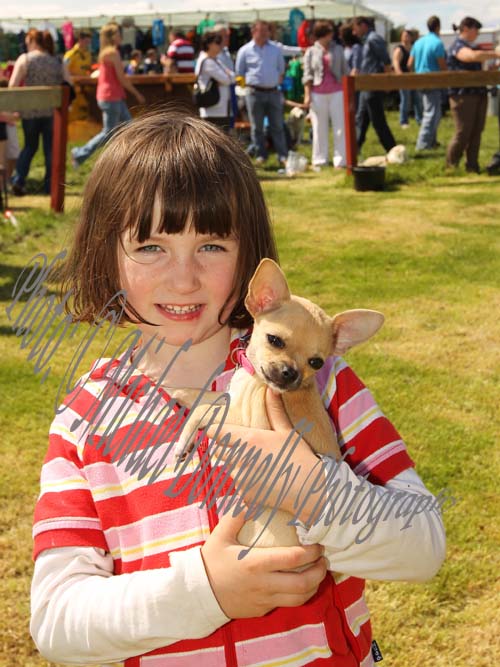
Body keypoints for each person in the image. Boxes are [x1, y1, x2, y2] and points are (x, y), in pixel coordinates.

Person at [30, 109, 445, 667]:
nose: (184, 279)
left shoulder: (318, 382)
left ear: (250, 257)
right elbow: (58, 622)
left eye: (212, 246)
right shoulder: (85, 418)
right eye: (151, 247)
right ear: (106, 253)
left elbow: (423, 547)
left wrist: (317, 491)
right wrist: (206, 591)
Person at [70, 22, 145, 168]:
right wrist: (137, 94)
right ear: (112, 37)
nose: (120, 36)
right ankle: (80, 153)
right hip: (111, 97)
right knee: (110, 132)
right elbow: (121, 78)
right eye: (117, 34)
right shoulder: (112, 53)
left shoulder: (106, 53)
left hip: (112, 96)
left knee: (129, 129)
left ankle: (128, 162)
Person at [8, 29, 63, 195]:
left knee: (30, 147)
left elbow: (13, 85)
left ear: (32, 41)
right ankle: (50, 186)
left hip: (30, 112)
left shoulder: (25, 59)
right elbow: (66, 82)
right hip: (52, 111)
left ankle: (19, 180)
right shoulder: (56, 60)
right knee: (50, 150)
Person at [445, 17, 500, 173]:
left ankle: (472, 167)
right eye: (476, 29)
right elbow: (469, 57)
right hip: (462, 96)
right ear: (466, 28)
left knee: (476, 132)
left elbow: (478, 67)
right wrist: (496, 54)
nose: (478, 33)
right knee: (463, 132)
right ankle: (451, 166)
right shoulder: (458, 46)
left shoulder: (474, 46)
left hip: (478, 94)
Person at [236, 20, 288, 166]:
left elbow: (281, 71)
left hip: (273, 93)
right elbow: (239, 73)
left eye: (267, 30)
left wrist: (274, 83)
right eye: (262, 30)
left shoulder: (275, 49)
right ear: (254, 32)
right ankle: (261, 155)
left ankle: (282, 156)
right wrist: (245, 90)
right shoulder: (244, 51)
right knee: (256, 127)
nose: (266, 33)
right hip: (254, 93)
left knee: (277, 126)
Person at [303, 20, 349, 170]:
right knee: (318, 128)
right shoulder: (311, 51)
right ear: (323, 34)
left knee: (339, 127)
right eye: (329, 32)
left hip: (337, 92)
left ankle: (340, 160)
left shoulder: (338, 49)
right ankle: (319, 160)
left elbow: (345, 71)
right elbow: (307, 75)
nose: (332, 34)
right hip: (318, 93)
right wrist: (307, 95)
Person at [352, 16, 397, 155]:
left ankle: (392, 149)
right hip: (366, 85)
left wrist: (388, 82)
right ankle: (354, 149)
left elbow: (386, 60)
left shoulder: (374, 39)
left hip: (373, 85)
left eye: (355, 28)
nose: (354, 33)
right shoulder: (368, 40)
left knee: (377, 121)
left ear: (363, 25)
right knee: (361, 119)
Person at [408, 16, 447, 150]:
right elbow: (442, 65)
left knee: (432, 111)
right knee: (432, 113)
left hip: (419, 80)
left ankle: (432, 142)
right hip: (433, 80)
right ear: (438, 27)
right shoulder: (437, 43)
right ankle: (423, 144)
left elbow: (409, 64)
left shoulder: (418, 43)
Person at [195, 32, 235, 131]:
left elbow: (233, 77)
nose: (220, 45)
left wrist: (228, 76)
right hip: (212, 108)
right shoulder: (207, 61)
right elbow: (227, 80)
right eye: (217, 42)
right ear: (209, 44)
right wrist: (227, 76)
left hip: (220, 108)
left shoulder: (215, 60)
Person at [392, 29, 422, 129]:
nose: (406, 37)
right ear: (401, 37)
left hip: (413, 77)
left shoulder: (413, 48)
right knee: (405, 100)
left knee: (417, 99)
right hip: (404, 78)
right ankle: (403, 121)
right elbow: (395, 62)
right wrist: (399, 74)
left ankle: (420, 119)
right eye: (404, 35)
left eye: (408, 36)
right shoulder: (399, 49)